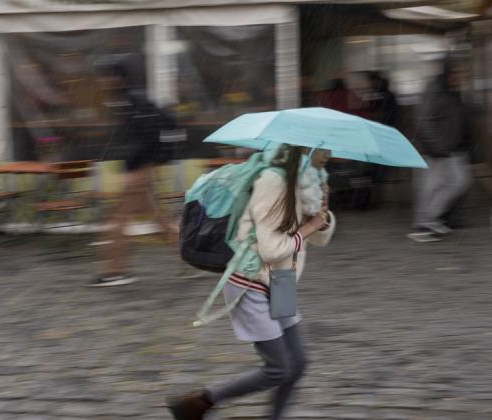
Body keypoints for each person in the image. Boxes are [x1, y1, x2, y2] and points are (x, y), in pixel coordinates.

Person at [167, 145, 336, 420]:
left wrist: (322, 220)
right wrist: (310, 226)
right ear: (304, 147)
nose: (329, 152)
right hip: (251, 278)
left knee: (299, 364)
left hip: (282, 280)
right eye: (323, 146)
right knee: (279, 368)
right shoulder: (274, 180)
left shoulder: (311, 182)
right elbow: (270, 247)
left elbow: (316, 237)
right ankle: (200, 402)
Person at [89, 61, 176, 286]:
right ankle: (192, 257)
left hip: (139, 169)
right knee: (160, 219)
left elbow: (143, 138)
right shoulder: (129, 100)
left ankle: (115, 271)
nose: (102, 82)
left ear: (118, 78)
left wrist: (137, 168)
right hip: (141, 168)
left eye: (106, 77)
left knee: (118, 219)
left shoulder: (132, 101)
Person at [409, 55, 474, 243]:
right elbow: (424, 119)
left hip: (452, 148)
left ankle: (429, 218)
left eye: (464, 72)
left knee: (459, 182)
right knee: (431, 187)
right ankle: (424, 223)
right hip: (436, 149)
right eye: (459, 72)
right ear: (450, 72)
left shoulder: (452, 90)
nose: (462, 76)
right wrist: (436, 146)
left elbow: (456, 116)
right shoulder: (435, 89)